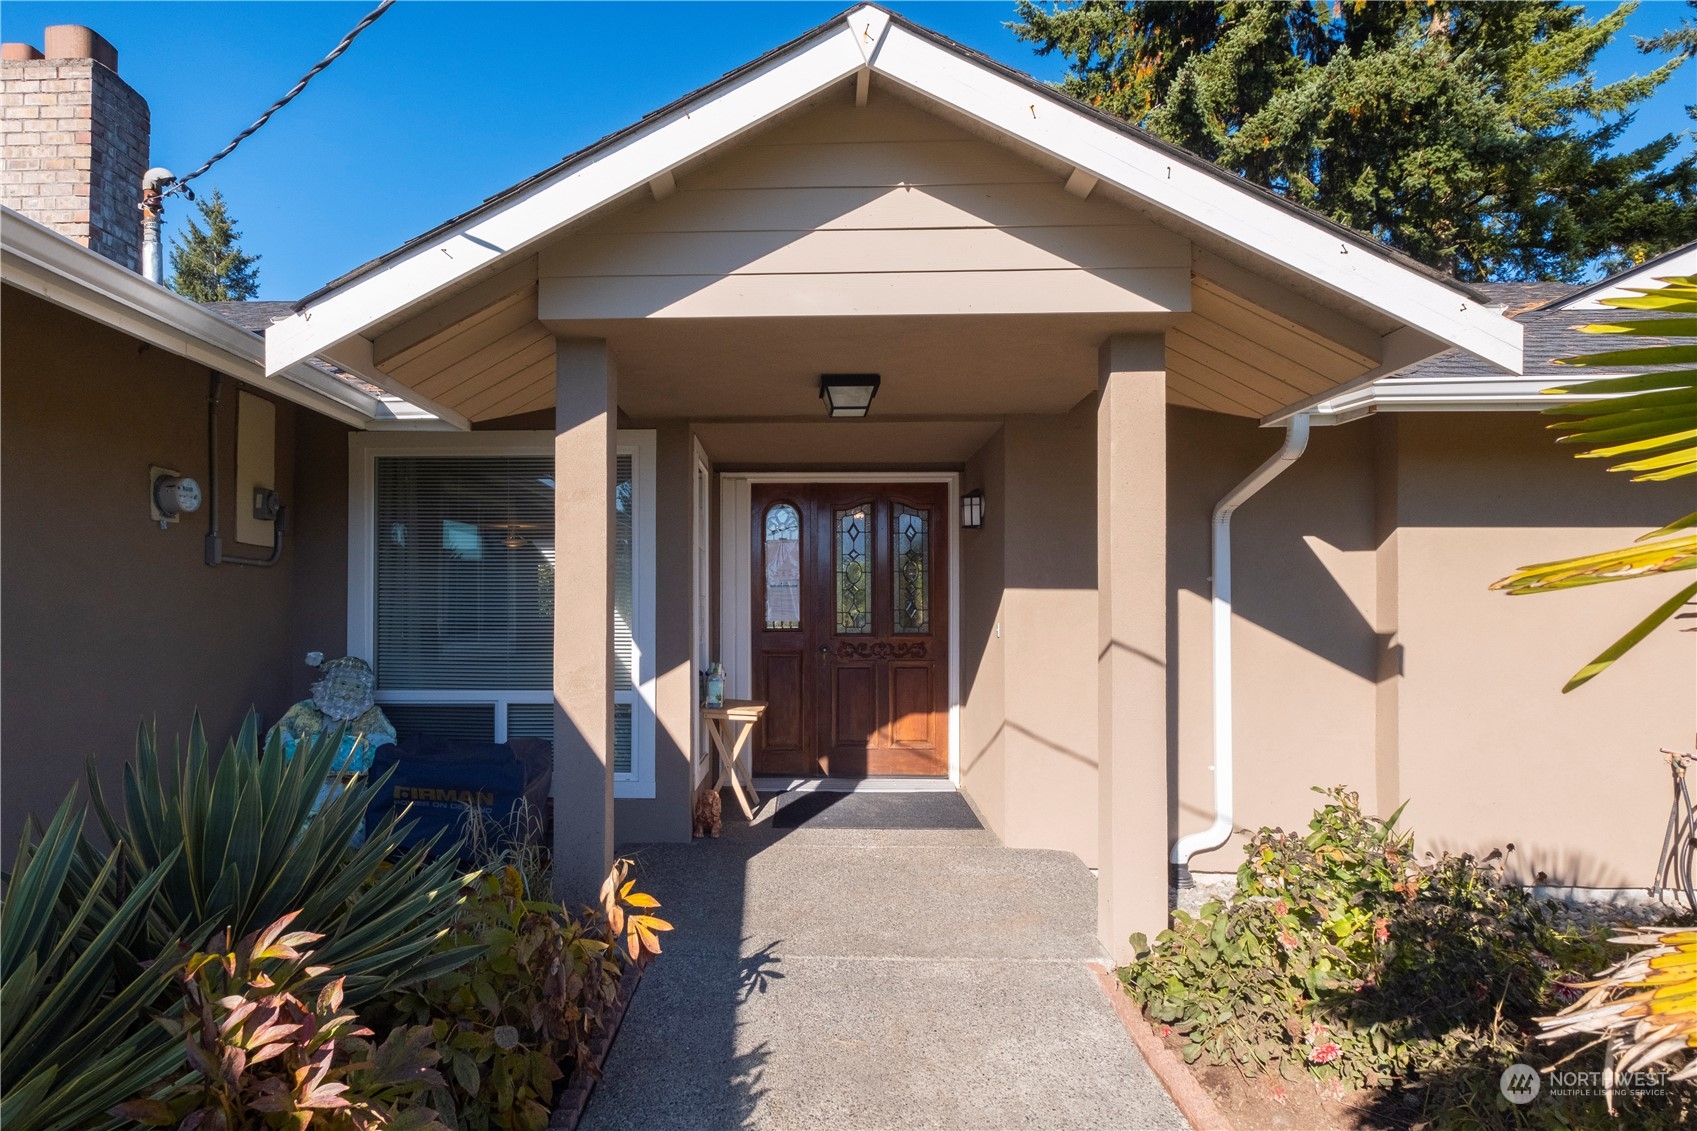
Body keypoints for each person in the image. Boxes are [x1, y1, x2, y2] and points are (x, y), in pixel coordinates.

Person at [266, 655, 395, 823]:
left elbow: (384, 748)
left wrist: (337, 751)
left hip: (348, 795)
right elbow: (276, 739)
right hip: (301, 790)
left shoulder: (372, 716)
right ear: (330, 683)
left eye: (357, 686)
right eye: (343, 683)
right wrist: (299, 749)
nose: (348, 691)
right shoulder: (302, 709)